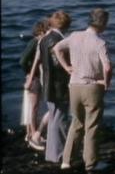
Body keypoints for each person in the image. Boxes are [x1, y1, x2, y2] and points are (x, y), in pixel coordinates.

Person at [54, 8, 112, 171]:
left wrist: (67, 67)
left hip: (74, 85)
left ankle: (66, 160)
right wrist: (106, 83)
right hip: (92, 86)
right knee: (91, 126)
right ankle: (91, 163)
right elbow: (107, 67)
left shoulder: (74, 36)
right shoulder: (100, 42)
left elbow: (57, 48)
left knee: (76, 122)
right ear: (103, 23)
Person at [30, 10, 71, 163]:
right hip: (59, 85)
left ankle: (51, 153)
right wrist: (69, 67)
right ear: (66, 25)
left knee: (54, 118)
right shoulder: (58, 39)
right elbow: (57, 63)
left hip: (47, 83)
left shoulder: (43, 39)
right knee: (59, 120)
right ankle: (58, 154)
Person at [20, 19, 50, 150]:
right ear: (41, 31)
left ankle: (32, 133)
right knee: (33, 107)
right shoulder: (34, 43)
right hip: (34, 78)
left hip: (36, 77)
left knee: (35, 106)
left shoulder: (39, 43)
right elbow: (22, 61)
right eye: (47, 31)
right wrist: (29, 73)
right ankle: (33, 135)